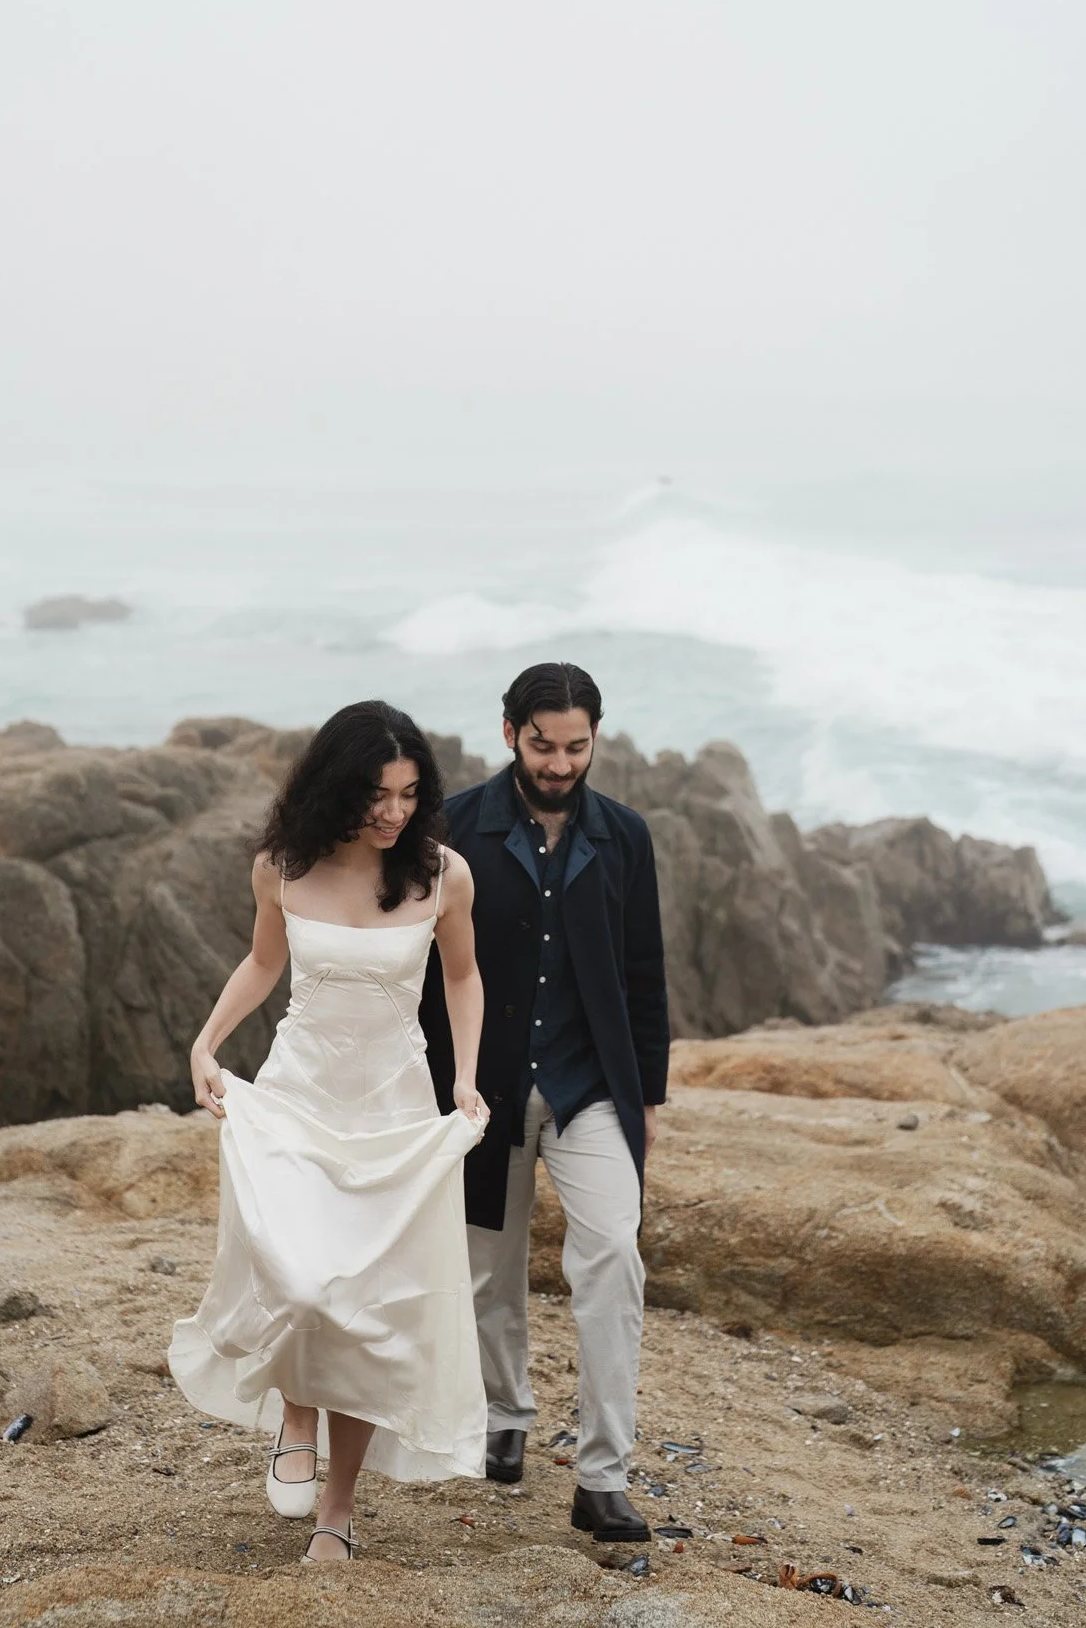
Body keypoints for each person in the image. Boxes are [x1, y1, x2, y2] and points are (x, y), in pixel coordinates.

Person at [169, 701, 490, 1563]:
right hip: (298, 1101)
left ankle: (337, 1513)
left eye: (409, 794)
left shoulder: (440, 875)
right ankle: (295, 1414)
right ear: (336, 786)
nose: (393, 813)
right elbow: (264, 962)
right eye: (377, 794)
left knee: (366, 1317)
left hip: (392, 1112)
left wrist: (463, 1076)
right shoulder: (282, 867)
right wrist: (206, 1042)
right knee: (302, 1286)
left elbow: (462, 977)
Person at [419, 661, 670, 1546]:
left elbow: (644, 972)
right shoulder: (453, 827)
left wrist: (647, 1097)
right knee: (489, 1270)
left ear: (595, 736)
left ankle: (602, 1476)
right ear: (509, 735)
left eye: (575, 745)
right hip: (479, 1086)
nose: (560, 763)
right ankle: (503, 1419)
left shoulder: (626, 836)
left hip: (592, 1083)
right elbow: (425, 968)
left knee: (612, 1258)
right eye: (542, 744)